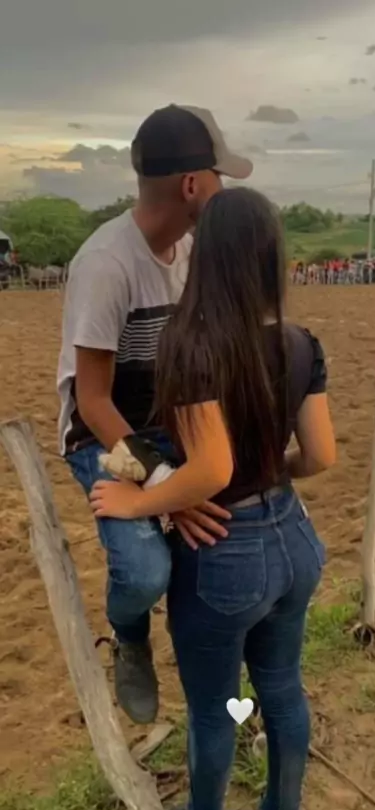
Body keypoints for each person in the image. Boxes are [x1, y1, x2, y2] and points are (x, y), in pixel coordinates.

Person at [89, 187, 336, 810]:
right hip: (295, 540)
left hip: (227, 553)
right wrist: (271, 472)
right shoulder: (300, 343)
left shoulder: (193, 345)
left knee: (212, 709)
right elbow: (320, 454)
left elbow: (211, 471)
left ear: (208, 255)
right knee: (281, 688)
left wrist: (135, 502)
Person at [57, 104, 253, 725]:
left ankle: (222, 677)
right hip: (106, 436)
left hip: (175, 422)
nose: (223, 190)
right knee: (143, 573)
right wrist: (165, 484)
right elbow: (92, 400)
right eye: (219, 177)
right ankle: (130, 634)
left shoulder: (192, 253)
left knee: (229, 526)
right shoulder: (106, 264)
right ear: (193, 184)